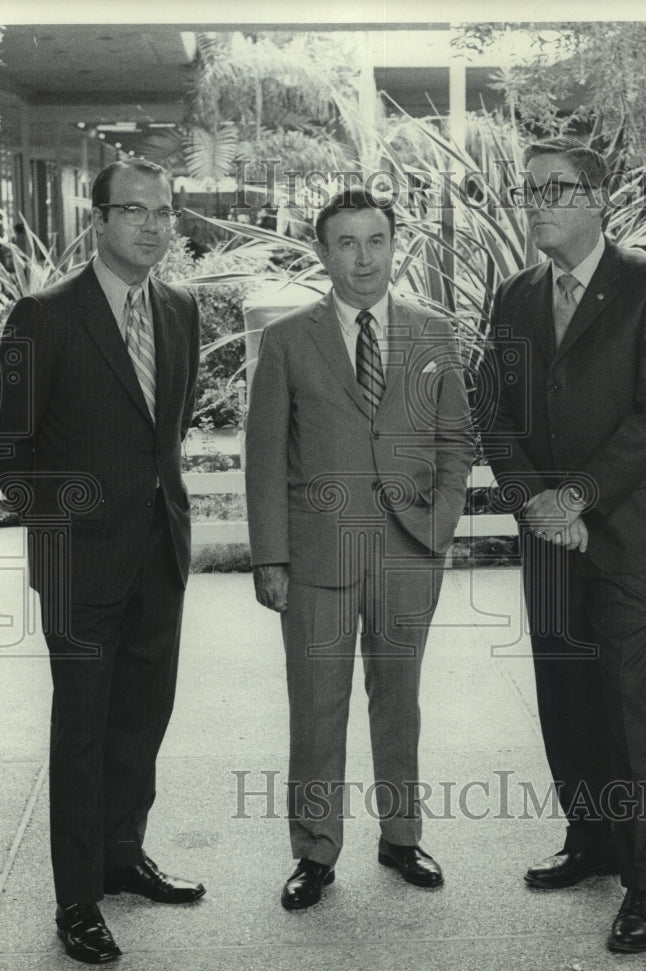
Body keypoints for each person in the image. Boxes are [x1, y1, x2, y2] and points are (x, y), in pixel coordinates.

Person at [477, 137, 646, 952]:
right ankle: (592, 839)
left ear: (598, 198)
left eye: (555, 189)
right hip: (548, 536)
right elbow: (492, 413)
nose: (536, 202)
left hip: (630, 534)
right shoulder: (514, 296)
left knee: (625, 702)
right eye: (528, 190)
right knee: (565, 694)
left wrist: (578, 496)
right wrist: (539, 502)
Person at [0, 159, 205, 965]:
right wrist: (64, 522)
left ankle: (122, 854)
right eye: (134, 210)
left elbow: (164, 434)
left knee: (143, 715)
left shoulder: (180, 310)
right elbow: (4, 443)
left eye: (164, 212)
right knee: (81, 728)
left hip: (158, 551)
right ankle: (76, 900)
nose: (152, 225)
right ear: (99, 220)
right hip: (81, 561)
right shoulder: (43, 316)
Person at [245, 186, 476, 910]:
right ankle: (315, 852)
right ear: (323, 252)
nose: (363, 257)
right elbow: (264, 458)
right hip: (316, 555)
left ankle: (401, 837)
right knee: (316, 703)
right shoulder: (286, 342)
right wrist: (270, 556)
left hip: (409, 552)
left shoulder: (432, 332)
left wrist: (436, 528)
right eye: (346, 242)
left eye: (375, 240)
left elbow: (456, 440)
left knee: (398, 700)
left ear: (392, 246)